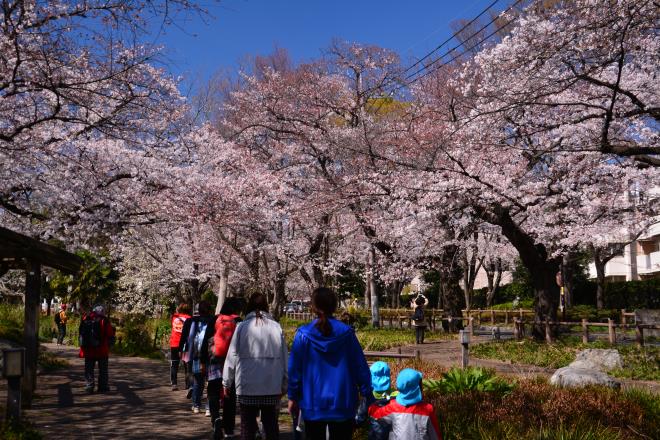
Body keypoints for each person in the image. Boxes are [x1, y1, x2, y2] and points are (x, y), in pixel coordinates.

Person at [288, 287, 373, 440]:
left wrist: (292, 396)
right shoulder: (347, 333)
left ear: (313, 307)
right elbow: (360, 367)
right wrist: (367, 393)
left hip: (312, 402)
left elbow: (295, 370)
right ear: (334, 306)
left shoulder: (303, 335)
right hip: (343, 402)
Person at [223, 293, 288, 440]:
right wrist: (284, 385)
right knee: (271, 427)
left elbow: (231, 356)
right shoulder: (276, 327)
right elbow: (285, 358)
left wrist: (226, 382)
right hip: (271, 386)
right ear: (266, 306)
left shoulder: (241, 327)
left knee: (247, 428)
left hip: (247, 386)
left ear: (249, 307)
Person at [205, 297, 242, 440]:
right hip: (232, 363)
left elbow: (205, 342)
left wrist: (203, 361)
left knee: (213, 391)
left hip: (215, 361)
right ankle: (229, 429)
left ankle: (215, 419)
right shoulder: (239, 321)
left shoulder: (215, 319)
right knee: (230, 395)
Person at [368, 368, 442, 440]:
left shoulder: (392, 407)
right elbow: (435, 435)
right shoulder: (428, 409)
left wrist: (381, 401)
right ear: (418, 388)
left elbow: (373, 412)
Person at [180, 301, 214, 413]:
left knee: (198, 382)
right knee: (210, 383)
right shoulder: (213, 322)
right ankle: (209, 408)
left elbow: (184, 337)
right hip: (210, 356)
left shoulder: (191, 321)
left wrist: (181, 351)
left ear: (198, 311)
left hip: (196, 355)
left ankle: (196, 405)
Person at [79, 305, 115, 393]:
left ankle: (89, 386)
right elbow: (110, 334)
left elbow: (80, 332)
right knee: (103, 370)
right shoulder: (104, 320)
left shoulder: (85, 318)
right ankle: (102, 387)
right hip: (102, 350)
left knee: (89, 369)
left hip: (88, 349)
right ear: (102, 312)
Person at [169, 303, 192, 391]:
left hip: (174, 343)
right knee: (187, 365)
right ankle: (188, 384)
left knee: (174, 364)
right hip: (185, 344)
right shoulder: (189, 319)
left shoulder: (174, 317)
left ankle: (174, 384)